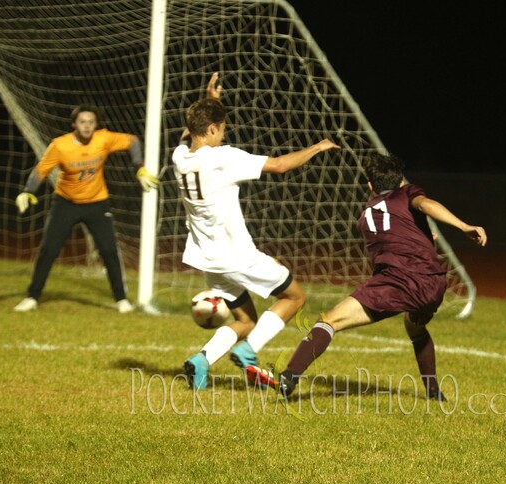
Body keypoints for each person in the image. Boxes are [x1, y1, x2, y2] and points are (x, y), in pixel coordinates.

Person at [248, 152, 487, 401]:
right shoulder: (407, 194)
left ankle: (289, 377)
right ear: (401, 182)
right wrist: (464, 226)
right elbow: (425, 205)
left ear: (370, 186)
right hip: (434, 284)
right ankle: (434, 393)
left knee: (329, 320)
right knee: (415, 327)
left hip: (397, 282)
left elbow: (397, 233)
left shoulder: (365, 216)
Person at [175, 73, 340, 390]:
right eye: (221, 128)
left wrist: (213, 103)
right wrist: (318, 147)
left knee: (245, 320)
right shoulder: (224, 157)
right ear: (212, 129)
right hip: (237, 256)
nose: (223, 135)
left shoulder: (179, 157)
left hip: (207, 260)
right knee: (295, 297)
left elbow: (190, 134)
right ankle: (249, 351)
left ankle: (201, 361)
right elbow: (279, 165)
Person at [13, 105, 158, 313]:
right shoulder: (60, 146)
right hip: (66, 203)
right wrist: (28, 191)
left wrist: (140, 167)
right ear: (74, 125)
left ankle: (121, 300)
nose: (87, 126)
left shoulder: (103, 138)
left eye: (91, 122)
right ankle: (32, 297)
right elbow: (41, 170)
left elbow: (133, 141)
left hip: (97, 203)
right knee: (48, 250)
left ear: (96, 124)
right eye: (83, 122)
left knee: (108, 250)